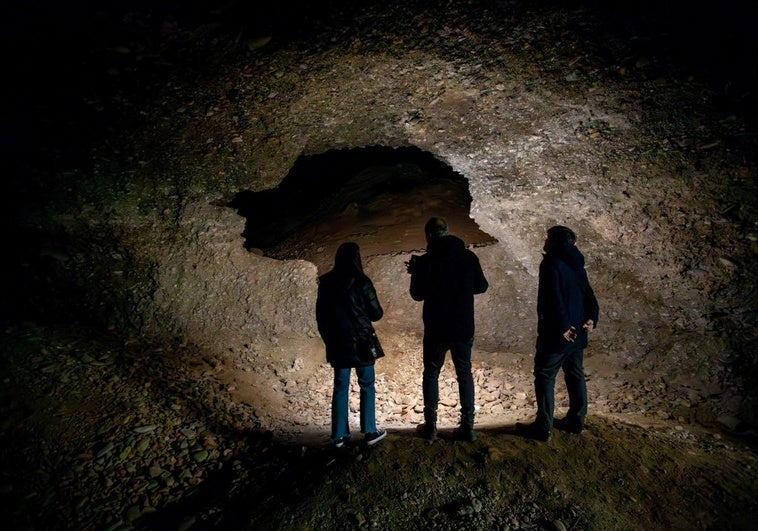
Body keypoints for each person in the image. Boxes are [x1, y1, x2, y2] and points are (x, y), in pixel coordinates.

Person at [407, 217, 489, 441]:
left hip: (436, 327)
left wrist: (416, 272)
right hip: (463, 326)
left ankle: (431, 426)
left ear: (429, 236)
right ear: (447, 232)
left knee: (431, 373)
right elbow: (481, 287)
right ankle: (468, 426)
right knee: (464, 374)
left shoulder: (425, 262)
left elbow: (417, 295)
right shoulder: (468, 257)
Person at [517, 225, 599, 442]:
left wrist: (563, 326)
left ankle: (543, 427)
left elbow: (552, 298)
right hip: (579, 331)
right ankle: (576, 420)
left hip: (558, 333)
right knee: (575, 373)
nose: (545, 242)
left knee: (544, 376)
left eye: (547, 238)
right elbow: (588, 293)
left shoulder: (551, 262)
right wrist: (592, 317)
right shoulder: (577, 263)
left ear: (553, 241)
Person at [316, 242, 387, 447]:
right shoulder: (362, 281)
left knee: (340, 386)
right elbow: (377, 313)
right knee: (367, 385)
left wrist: (329, 340)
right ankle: (370, 431)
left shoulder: (327, 282)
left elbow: (321, 317)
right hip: (363, 342)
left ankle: (338, 435)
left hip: (339, 343)